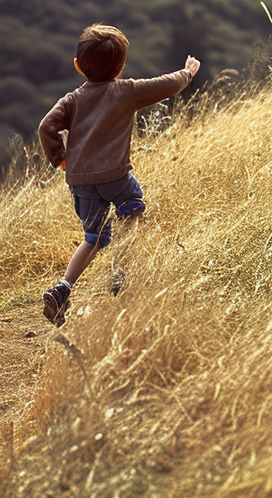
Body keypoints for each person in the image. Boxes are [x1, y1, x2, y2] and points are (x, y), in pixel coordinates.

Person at [38, 23, 200, 324]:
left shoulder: (71, 100)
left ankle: (63, 288)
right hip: (115, 178)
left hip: (81, 183)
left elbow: (46, 127)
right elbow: (164, 85)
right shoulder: (127, 92)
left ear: (77, 66)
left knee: (93, 238)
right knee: (132, 207)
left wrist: (60, 159)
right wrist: (187, 74)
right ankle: (120, 276)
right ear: (121, 67)